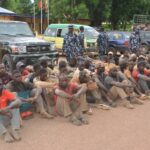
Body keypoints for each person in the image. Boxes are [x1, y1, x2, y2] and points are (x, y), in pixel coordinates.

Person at [0, 78, 21, 143]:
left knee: (16, 107)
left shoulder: (4, 92)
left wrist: (8, 108)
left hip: (6, 116)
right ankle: (5, 133)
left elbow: (18, 101)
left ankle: (15, 130)